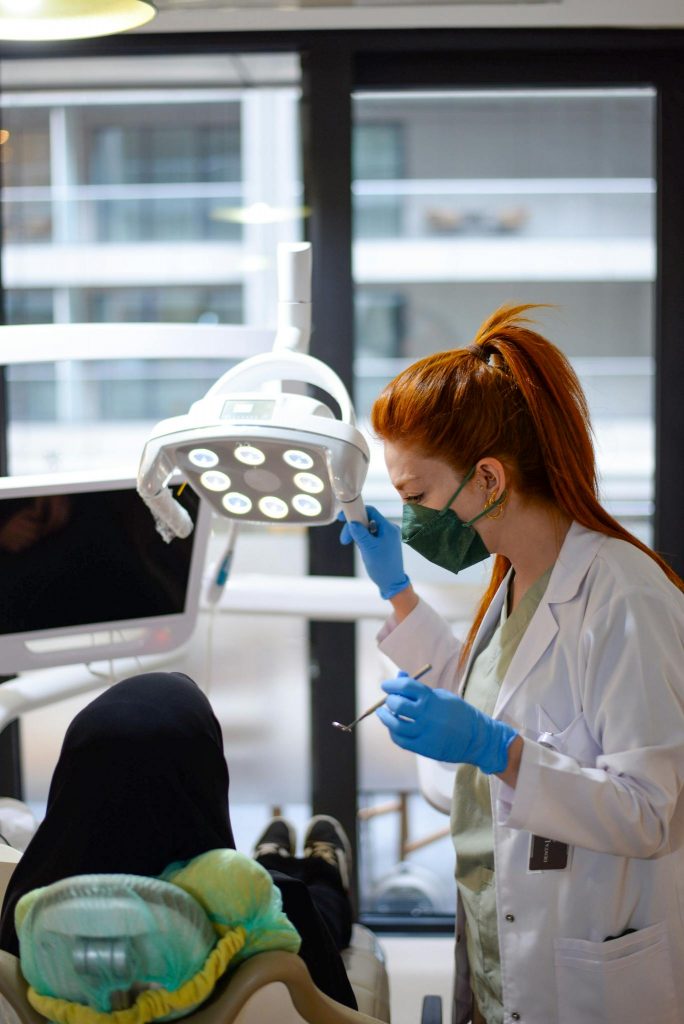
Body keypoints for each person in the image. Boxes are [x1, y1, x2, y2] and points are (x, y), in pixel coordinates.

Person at [340, 304, 684, 1024]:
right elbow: (496, 696)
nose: (410, 519)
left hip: (586, 972)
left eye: (417, 496)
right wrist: (396, 591)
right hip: (499, 943)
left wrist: (494, 749)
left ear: (489, 480)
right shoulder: (520, 576)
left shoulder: (623, 596)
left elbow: (653, 813)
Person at [0, 671, 357, 1011]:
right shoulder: (269, 906)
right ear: (204, 778)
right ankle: (321, 868)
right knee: (318, 903)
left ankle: (274, 857)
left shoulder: (26, 917)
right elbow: (340, 1010)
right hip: (287, 902)